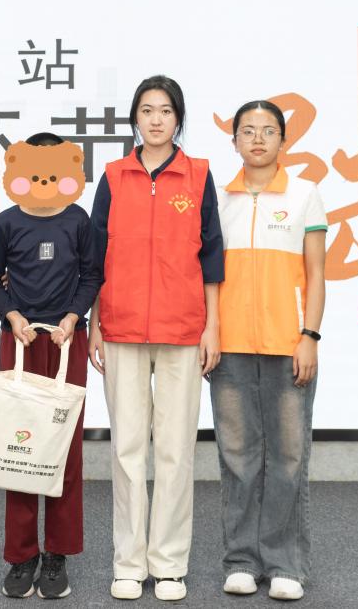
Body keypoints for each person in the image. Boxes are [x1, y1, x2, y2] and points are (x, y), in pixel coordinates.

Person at [88, 75, 224, 602]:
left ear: (178, 118)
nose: (156, 119)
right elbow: (95, 257)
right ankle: (128, 562)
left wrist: (212, 326)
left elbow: (212, 256)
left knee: (174, 450)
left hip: (183, 330)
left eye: (166, 110)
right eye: (147, 110)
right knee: (126, 451)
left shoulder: (199, 176)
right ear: (135, 118)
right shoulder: (113, 177)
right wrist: (96, 322)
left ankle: (168, 564)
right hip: (121, 327)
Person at [210, 100, 327, 601]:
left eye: (268, 131)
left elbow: (317, 274)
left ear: (284, 139)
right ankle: (241, 560)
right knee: (237, 457)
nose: (257, 139)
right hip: (230, 347)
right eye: (247, 131)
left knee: (288, 457)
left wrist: (310, 335)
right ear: (234, 139)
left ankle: (286, 565)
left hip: (288, 345)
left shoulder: (304, 195)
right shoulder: (218, 200)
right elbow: (208, 276)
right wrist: (210, 331)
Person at [0, 132, 101, 600]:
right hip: (21, 342)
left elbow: (91, 274)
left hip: (67, 342)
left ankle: (57, 555)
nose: (44, 180)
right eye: (35, 172)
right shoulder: (8, 222)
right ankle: (21, 556)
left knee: (64, 449)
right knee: (19, 448)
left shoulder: (78, 220)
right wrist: (12, 316)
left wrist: (72, 317)